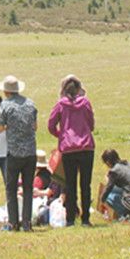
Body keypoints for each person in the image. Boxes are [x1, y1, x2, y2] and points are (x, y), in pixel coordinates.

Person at [48, 74, 95, 226]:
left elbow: (51, 125)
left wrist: (61, 135)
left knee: (70, 184)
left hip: (68, 148)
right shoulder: (85, 102)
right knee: (85, 184)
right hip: (86, 147)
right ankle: (85, 218)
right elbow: (91, 124)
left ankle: (70, 219)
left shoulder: (61, 104)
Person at [0, 75, 38, 232]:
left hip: (14, 153)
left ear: (6, 91)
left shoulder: (5, 105)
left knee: (11, 189)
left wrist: (9, 127)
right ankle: (27, 222)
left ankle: (13, 222)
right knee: (28, 188)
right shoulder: (30, 103)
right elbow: (35, 126)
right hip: (30, 153)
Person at [100, 149, 130, 222]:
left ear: (108, 162)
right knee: (115, 191)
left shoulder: (114, 171)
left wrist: (101, 201)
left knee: (108, 197)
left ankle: (124, 215)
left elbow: (108, 188)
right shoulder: (127, 164)